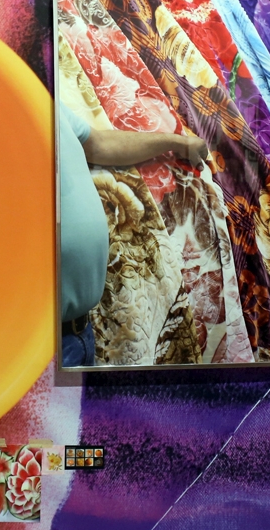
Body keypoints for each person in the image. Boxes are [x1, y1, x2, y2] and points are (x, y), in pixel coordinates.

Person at [58, 103, 208, 367]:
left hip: (78, 332)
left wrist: (177, 143)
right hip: (41, 339)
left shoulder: (49, 103)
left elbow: (100, 143)